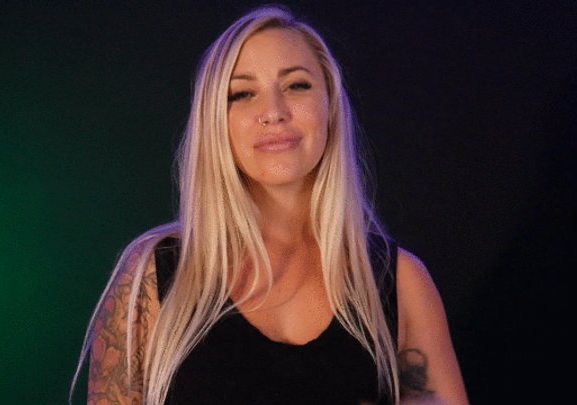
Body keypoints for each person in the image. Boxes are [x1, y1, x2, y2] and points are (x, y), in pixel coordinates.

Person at [71, 5, 469, 405]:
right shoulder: (153, 276)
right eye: (242, 94)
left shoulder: (400, 283)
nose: (274, 112)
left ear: (330, 106)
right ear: (216, 121)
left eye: (297, 85)